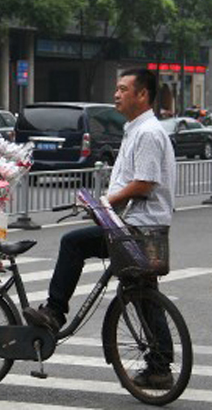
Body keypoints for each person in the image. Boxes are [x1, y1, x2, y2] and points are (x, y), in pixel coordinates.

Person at [24, 68, 176, 389]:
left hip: (138, 227)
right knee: (144, 294)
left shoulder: (148, 133)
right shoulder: (137, 129)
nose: (116, 95)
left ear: (143, 95)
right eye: (116, 88)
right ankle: (160, 367)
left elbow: (144, 183)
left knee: (73, 244)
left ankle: (54, 312)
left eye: (123, 89)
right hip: (138, 224)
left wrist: (104, 203)